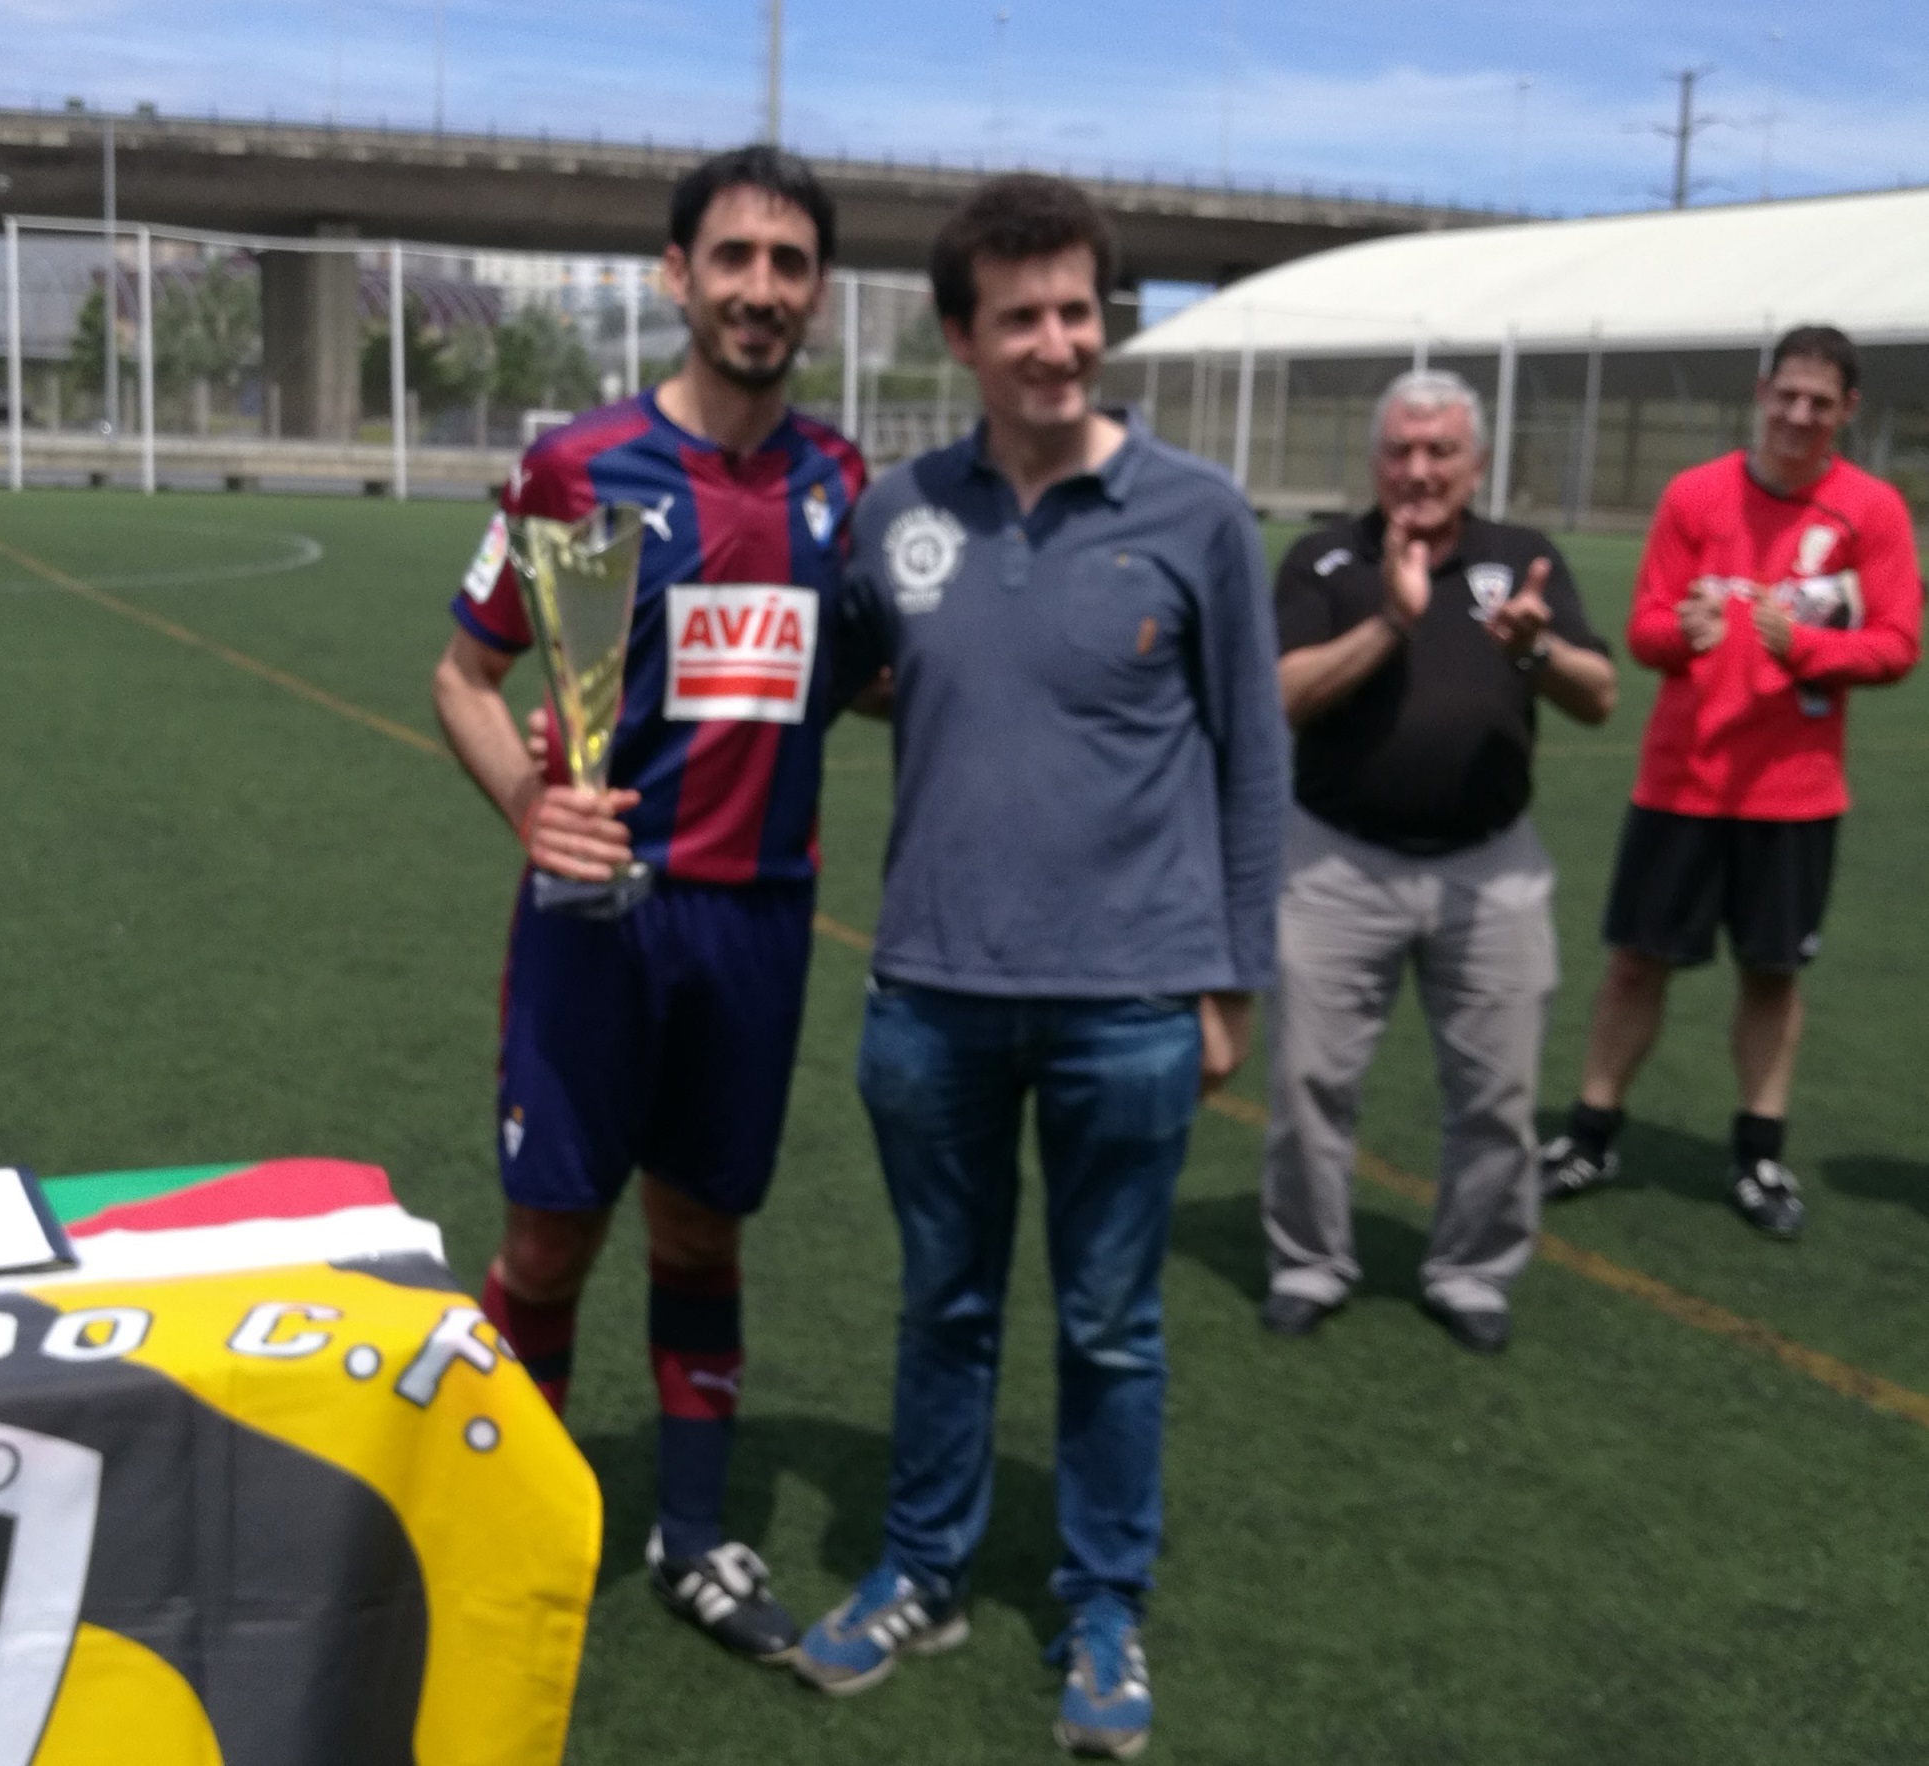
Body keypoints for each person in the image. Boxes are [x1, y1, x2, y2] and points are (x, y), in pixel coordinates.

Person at [790, 175, 1286, 1762]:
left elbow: (1255, 759)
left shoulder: (1198, 514)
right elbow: (817, 682)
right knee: (941, 1303)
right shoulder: (896, 514)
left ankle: (1102, 1606)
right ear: (961, 336)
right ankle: (923, 1570)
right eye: (1022, 318)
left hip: (1130, 1004)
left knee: (1111, 1322)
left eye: (1079, 310)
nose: (1058, 342)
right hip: (931, 995)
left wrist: (1233, 982)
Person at [429, 143, 864, 1664]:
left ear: (817, 292)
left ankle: (690, 1539)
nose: (760, 288)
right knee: (549, 1247)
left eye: (789, 264)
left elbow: (860, 671)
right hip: (597, 921)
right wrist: (528, 803)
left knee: (699, 1232)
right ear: (678, 276)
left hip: (758, 924)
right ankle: (512, 1536)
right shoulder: (578, 468)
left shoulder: (839, 484)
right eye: (733, 257)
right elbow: (464, 675)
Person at [1258, 371, 1617, 1354]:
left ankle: (1471, 1271)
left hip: (1491, 867)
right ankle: (1308, 1261)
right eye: (1400, 451)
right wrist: (1391, 619)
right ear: (1375, 460)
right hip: (1335, 864)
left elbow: (1599, 695)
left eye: (1441, 451)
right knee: (1307, 1082)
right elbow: (1283, 694)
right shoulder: (1325, 559)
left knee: (1497, 1093)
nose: (1418, 470)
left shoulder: (1522, 560)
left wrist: (1536, 650)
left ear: (1476, 462)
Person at [1540, 326, 1921, 1237]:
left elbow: (1898, 643)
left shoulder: (1871, 511)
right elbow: (1644, 631)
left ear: (1847, 411)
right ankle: (1591, 1136)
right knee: (1636, 963)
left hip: (1794, 794)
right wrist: (1685, 633)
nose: (1799, 415)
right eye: (1786, 395)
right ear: (1761, 392)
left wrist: (1810, 649)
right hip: (1682, 783)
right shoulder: (1694, 495)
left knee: (1772, 975)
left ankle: (1758, 1155)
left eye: (1819, 402)